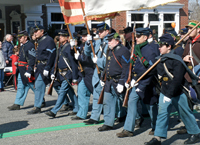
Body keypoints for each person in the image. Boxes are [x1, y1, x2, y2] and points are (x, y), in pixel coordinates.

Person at [145, 33, 200, 145]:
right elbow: (150, 73)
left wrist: (169, 95)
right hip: (165, 91)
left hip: (178, 91)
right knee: (162, 113)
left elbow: (177, 80)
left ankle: (196, 133)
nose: (159, 47)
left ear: (169, 46)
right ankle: (157, 138)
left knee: (185, 113)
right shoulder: (160, 60)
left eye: (161, 45)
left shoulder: (177, 61)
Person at [116, 28, 158, 138]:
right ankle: (128, 129)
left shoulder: (150, 50)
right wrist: (127, 79)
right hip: (135, 82)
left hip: (146, 82)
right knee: (131, 102)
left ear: (145, 37)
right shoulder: (136, 49)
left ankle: (156, 126)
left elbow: (151, 69)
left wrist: (140, 81)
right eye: (136, 36)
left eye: (139, 36)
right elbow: (130, 66)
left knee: (150, 105)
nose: (136, 38)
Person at [97, 32, 130, 131]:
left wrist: (121, 82)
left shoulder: (123, 50)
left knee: (126, 102)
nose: (108, 42)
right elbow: (107, 65)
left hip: (118, 80)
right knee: (107, 102)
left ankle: (137, 118)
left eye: (110, 40)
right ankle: (108, 123)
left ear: (117, 40)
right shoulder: (110, 50)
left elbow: (126, 67)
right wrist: (103, 77)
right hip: (109, 80)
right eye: (108, 40)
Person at [45, 29, 79, 118]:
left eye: (61, 36)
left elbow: (73, 63)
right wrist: (53, 72)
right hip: (61, 73)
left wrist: (75, 76)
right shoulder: (60, 47)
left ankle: (54, 110)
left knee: (63, 91)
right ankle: (77, 108)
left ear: (67, 38)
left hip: (68, 73)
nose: (59, 37)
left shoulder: (69, 47)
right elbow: (56, 61)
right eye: (59, 36)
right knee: (70, 91)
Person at [83, 22, 109, 125]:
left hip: (106, 72)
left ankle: (122, 114)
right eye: (99, 31)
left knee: (114, 97)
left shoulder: (110, 42)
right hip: (97, 72)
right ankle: (94, 117)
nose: (99, 32)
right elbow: (87, 53)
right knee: (97, 94)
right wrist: (88, 43)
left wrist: (97, 61)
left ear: (107, 31)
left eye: (102, 31)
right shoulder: (98, 42)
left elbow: (109, 60)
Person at [27, 24, 56, 114]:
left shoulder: (49, 40)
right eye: (34, 32)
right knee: (38, 86)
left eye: (36, 31)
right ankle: (37, 106)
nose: (34, 33)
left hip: (46, 66)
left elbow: (51, 55)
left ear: (42, 31)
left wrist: (47, 67)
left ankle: (67, 103)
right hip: (40, 67)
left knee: (58, 87)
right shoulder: (39, 40)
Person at [7, 30, 36, 110]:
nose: (19, 39)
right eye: (18, 37)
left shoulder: (30, 45)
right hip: (21, 69)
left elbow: (32, 59)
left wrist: (29, 71)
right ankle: (17, 103)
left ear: (25, 37)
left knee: (33, 87)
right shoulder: (23, 45)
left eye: (20, 37)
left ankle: (40, 100)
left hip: (27, 70)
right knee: (20, 87)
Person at [71, 28, 95, 120]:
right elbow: (74, 57)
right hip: (83, 73)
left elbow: (89, 59)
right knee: (81, 93)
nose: (82, 38)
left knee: (96, 94)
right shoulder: (82, 45)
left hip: (91, 72)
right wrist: (72, 48)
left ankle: (117, 113)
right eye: (82, 36)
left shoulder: (93, 45)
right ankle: (82, 114)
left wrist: (80, 57)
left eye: (84, 36)